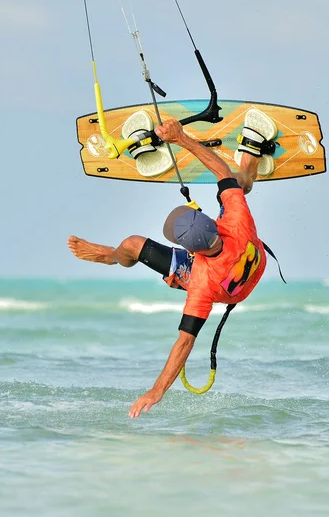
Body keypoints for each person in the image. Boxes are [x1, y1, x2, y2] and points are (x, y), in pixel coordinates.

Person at [68, 116, 273, 418]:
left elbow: (184, 342)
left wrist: (156, 391)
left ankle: (112, 256)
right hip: (249, 257)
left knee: (133, 245)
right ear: (213, 222)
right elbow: (219, 171)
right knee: (234, 185)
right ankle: (251, 161)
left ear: (188, 252)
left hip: (224, 286)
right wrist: (180, 139)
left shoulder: (199, 283)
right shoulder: (236, 221)